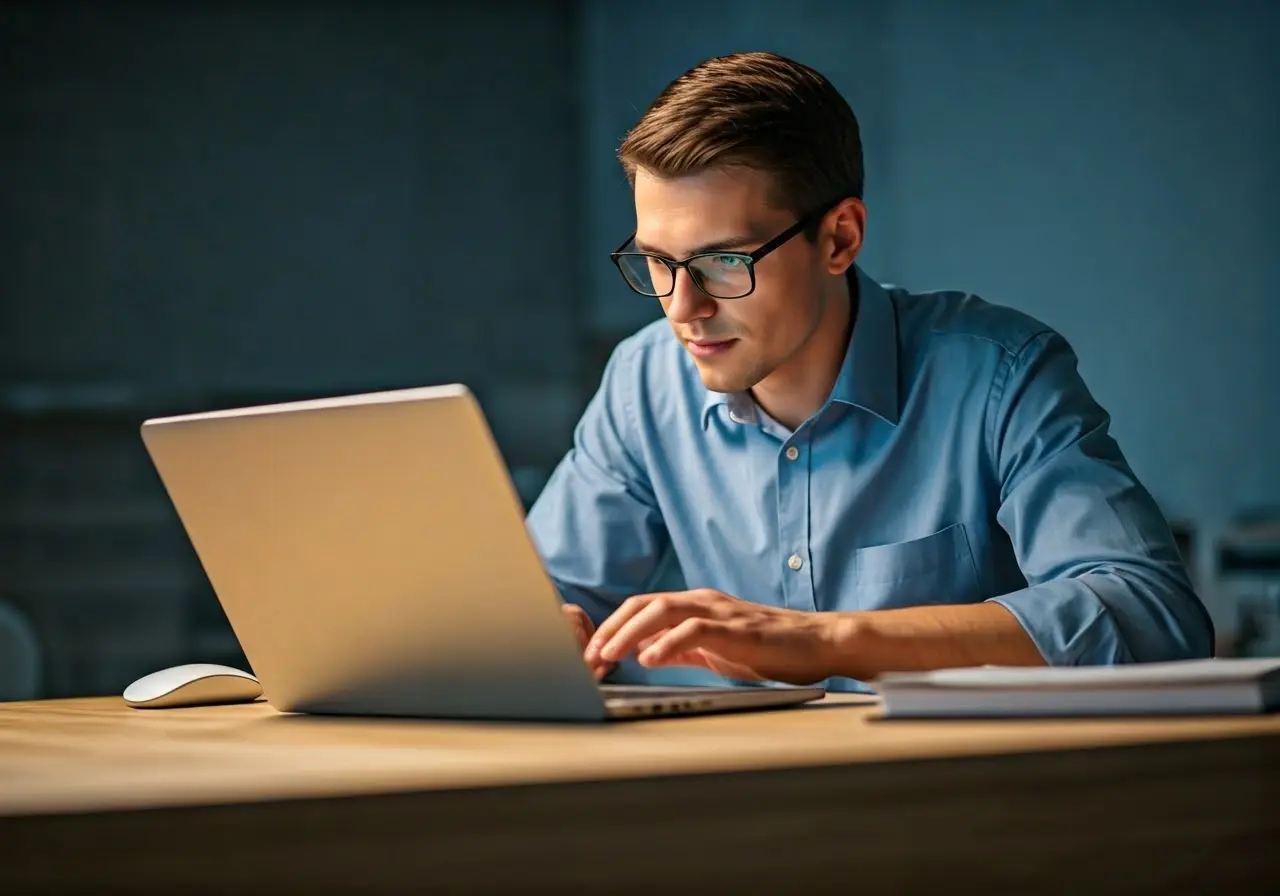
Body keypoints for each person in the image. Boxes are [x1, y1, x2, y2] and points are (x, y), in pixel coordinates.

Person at [525, 51, 1213, 692]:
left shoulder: (1001, 374)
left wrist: (828, 641)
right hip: (752, 803)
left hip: (970, 805)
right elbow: (543, 595)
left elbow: (1153, 617)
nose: (684, 307)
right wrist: (530, 633)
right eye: (657, 261)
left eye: (724, 263)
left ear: (840, 238)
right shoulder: (644, 382)